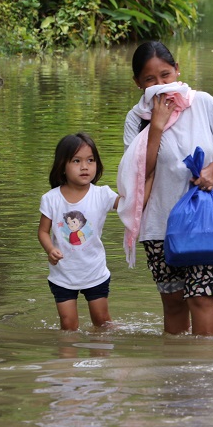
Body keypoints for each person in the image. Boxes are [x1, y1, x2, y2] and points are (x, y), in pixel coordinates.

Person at [118, 41, 213, 336]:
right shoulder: (136, 119)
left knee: (202, 299)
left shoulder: (202, 103)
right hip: (158, 225)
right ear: (138, 82)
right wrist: (157, 127)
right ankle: (176, 374)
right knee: (174, 303)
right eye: (150, 79)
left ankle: (204, 373)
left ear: (177, 70)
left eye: (165, 75)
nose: (160, 85)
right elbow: (140, 173)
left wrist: (212, 170)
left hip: (205, 220)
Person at [38, 133, 120, 331]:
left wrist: (147, 178)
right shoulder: (51, 199)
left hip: (94, 271)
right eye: (76, 161)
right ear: (62, 166)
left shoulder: (102, 194)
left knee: (102, 322)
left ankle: (104, 359)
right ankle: (67, 360)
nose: (85, 166)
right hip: (63, 274)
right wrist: (50, 249)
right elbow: (43, 232)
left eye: (90, 160)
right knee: (68, 326)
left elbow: (130, 205)